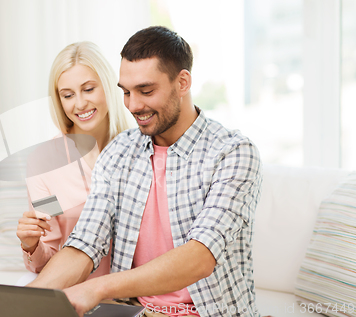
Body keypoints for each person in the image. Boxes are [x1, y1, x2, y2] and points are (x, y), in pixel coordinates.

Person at [28, 26, 263, 317]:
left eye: (146, 90)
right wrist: (22, 303)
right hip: (135, 312)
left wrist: (97, 288)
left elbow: (199, 257)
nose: (134, 105)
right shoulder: (119, 152)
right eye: (126, 92)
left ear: (183, 82)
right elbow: (85, 244)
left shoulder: (232, 152)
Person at [15, 41, 133, 284]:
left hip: (135, 292)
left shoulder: (139, 149)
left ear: (108, 87)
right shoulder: (46, 163)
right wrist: (32, 244)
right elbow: (47, 261)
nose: (79, 104)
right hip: (76, 293)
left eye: (89, 89)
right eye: (68, 95)